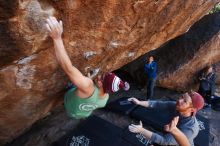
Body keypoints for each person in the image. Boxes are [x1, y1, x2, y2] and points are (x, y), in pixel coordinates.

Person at [46, 16, 130, 119]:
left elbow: (68, 68)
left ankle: (73, 91)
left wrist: (57, 38)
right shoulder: (105, 99)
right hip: (80, 114)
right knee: (81, 87)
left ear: (100, 83)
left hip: (70, 105)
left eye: (101, 77)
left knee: (75, 84)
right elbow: (94, 94)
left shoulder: (88, 86)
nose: (99, 76)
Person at [128, 91, 204, 146]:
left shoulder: (191, 129)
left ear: (192, 110)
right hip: (168, 136)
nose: (179, 100)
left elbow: (164, 141)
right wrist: (139, 102)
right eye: (182, 96)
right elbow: (157, 104)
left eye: (185, 101)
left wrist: (141, 130)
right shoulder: (176, 106)